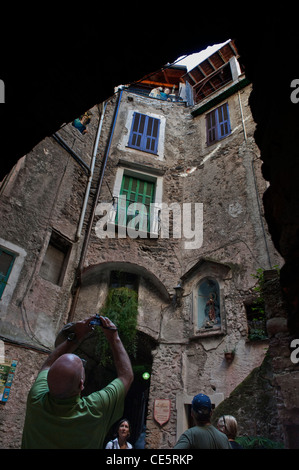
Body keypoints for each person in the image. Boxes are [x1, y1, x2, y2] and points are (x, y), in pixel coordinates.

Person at [21, 315, 133, 449]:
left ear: (47, 381)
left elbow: (47, 365)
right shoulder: (95, 410)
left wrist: (75, 337)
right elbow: (126, 376)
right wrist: (114, 337)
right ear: (81, 385)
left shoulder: (36, 398)